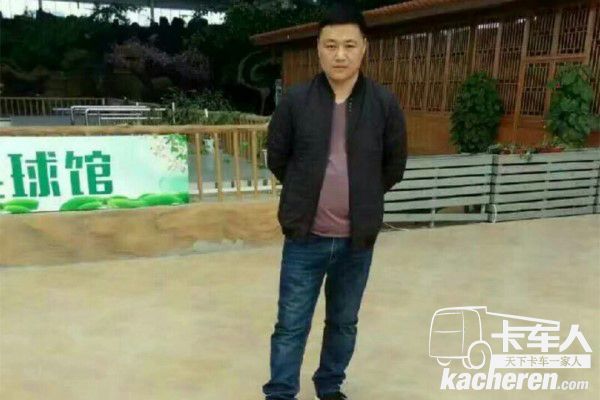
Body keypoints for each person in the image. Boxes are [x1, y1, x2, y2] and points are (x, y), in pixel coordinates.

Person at [262, 2, 408, 400]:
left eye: (349, 45)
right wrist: (303, 193)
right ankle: (280, 392)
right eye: (330, 45)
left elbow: (394, 164)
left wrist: (364, 197)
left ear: (364, 48)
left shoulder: (383, 103)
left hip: (356, 241)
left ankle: (329, 386)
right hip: (304, 238)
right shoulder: (296, 101)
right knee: (291, 323)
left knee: (343, 322)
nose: (339, 55)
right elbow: (277, 157)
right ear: (318, 49)